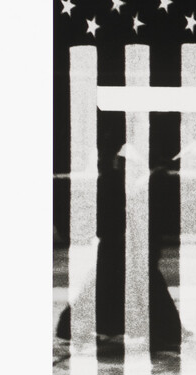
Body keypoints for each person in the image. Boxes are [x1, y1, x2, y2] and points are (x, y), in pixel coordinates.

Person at [56, 142, 183, 351]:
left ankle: (161, 331)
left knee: (110, 289)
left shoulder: (127, 183)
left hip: (123, 248)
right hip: (121, 248)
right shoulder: (122, 183)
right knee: (124, 289)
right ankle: (163, 332)